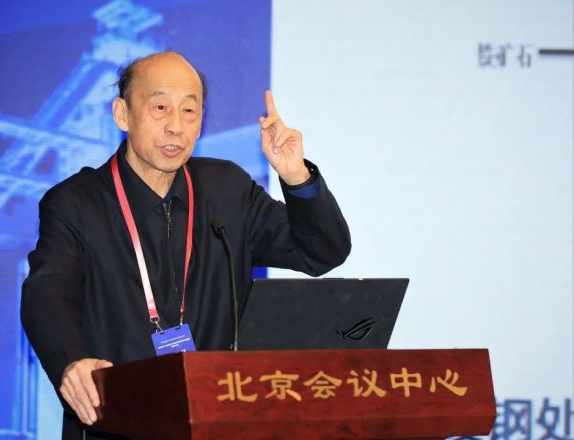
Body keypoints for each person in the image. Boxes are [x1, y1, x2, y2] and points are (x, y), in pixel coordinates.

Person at [21, 51, 351, 439]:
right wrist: (71, 361)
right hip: (117, 424)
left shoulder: (226, 190)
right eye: (160, 107)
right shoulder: (76, 204)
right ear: (123, 114)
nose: (176, 126)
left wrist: (296, 176)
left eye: (189, 111)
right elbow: (47, 296)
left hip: (217, 423)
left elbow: (322, 252)